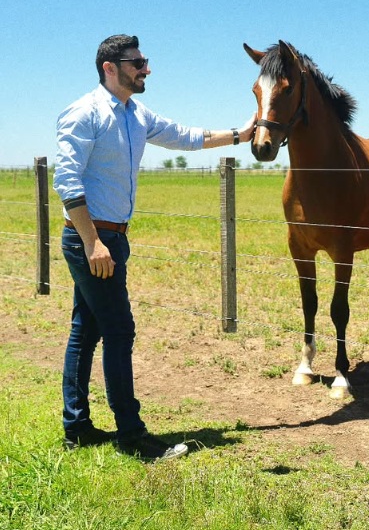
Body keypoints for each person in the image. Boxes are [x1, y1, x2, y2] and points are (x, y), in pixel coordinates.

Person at [53, 34, 255, 461]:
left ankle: (77, 428)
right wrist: (92, 243)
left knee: (86, 331)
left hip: (113, 238)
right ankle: (132, 436)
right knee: (119, 331)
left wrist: (240, 134)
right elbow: (67, 182)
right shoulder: (84, 113)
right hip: (91, 238)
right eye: (138, 62)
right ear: (110, 67)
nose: (146, 68)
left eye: (145, 61)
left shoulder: (136, 114)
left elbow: (184, 136)